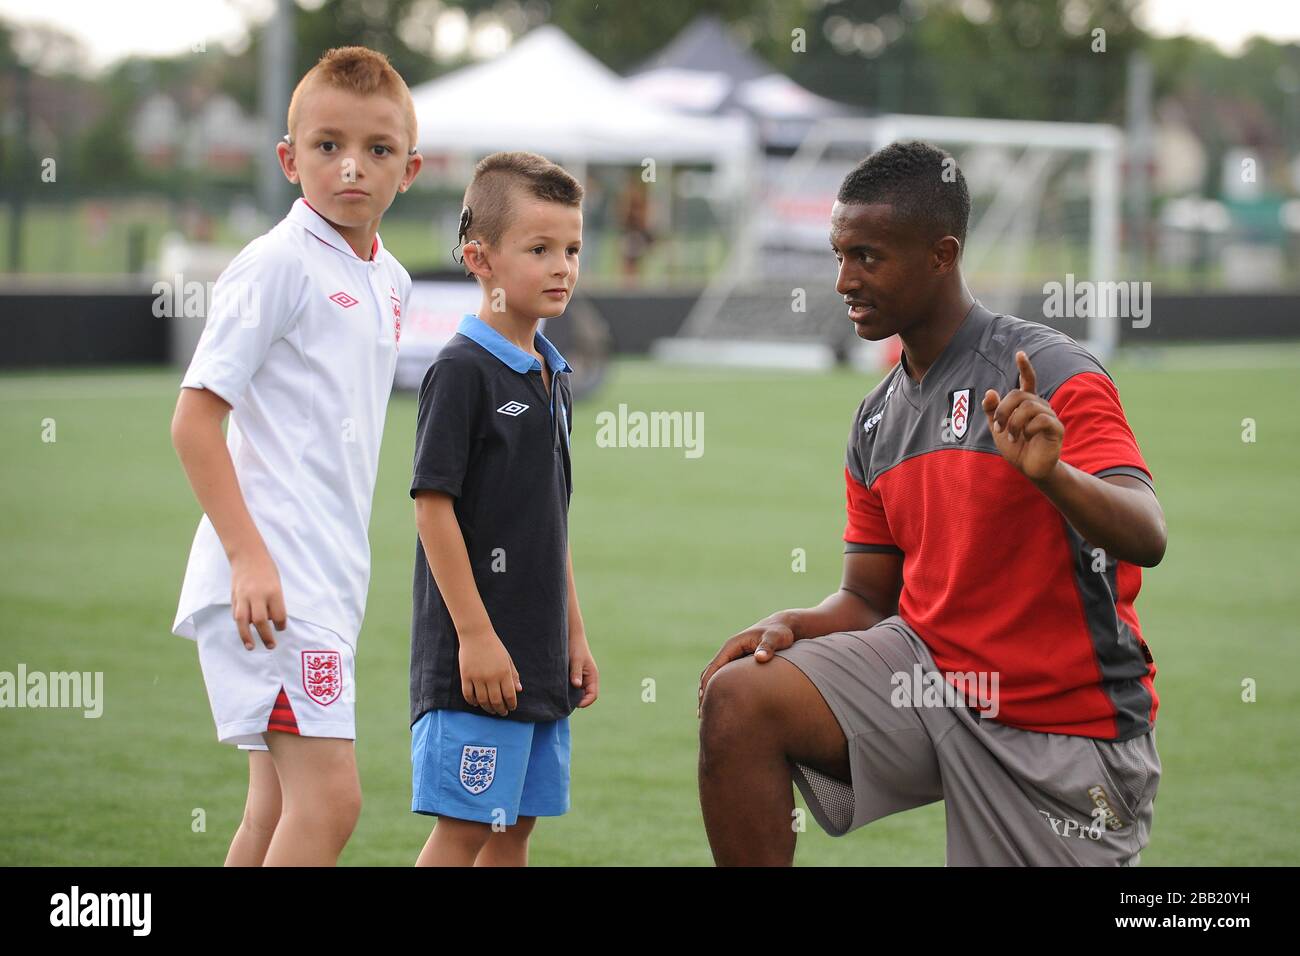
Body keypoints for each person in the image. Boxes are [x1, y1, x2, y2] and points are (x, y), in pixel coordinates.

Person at [697, 141, 1167, 866]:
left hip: (1063, 727)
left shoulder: (1049, 372)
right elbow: (866, 595)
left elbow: (1147, 534)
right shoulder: (876, 417)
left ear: (941, 255)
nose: (844, 280)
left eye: (867, 256)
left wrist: (1054, 477)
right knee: (741, 702)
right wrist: (798, 622)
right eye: (838, 255)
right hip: (931, 684)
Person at [170, 46, 422, 866]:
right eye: (327, 145)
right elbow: (194, 420)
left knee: (275, 808)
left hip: (326, 578)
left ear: (409, 170)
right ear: (289, 158)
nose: (353, 165)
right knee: (331, 801)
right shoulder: (276, 262)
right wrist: (249, 559)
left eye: (378, 149)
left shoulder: (392, 281)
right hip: (273, 584)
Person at [409, 151, 598, 866]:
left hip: (539, 651)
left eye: (573, 249)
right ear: (479, 258)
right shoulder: (460, 371)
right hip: (475, 657)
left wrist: (572, 635)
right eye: (540, 248)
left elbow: (552, 523)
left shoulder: (553, 371)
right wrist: (476, 637)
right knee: (463, 830)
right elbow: (432, 511)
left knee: (514, 826)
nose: (563, 267)